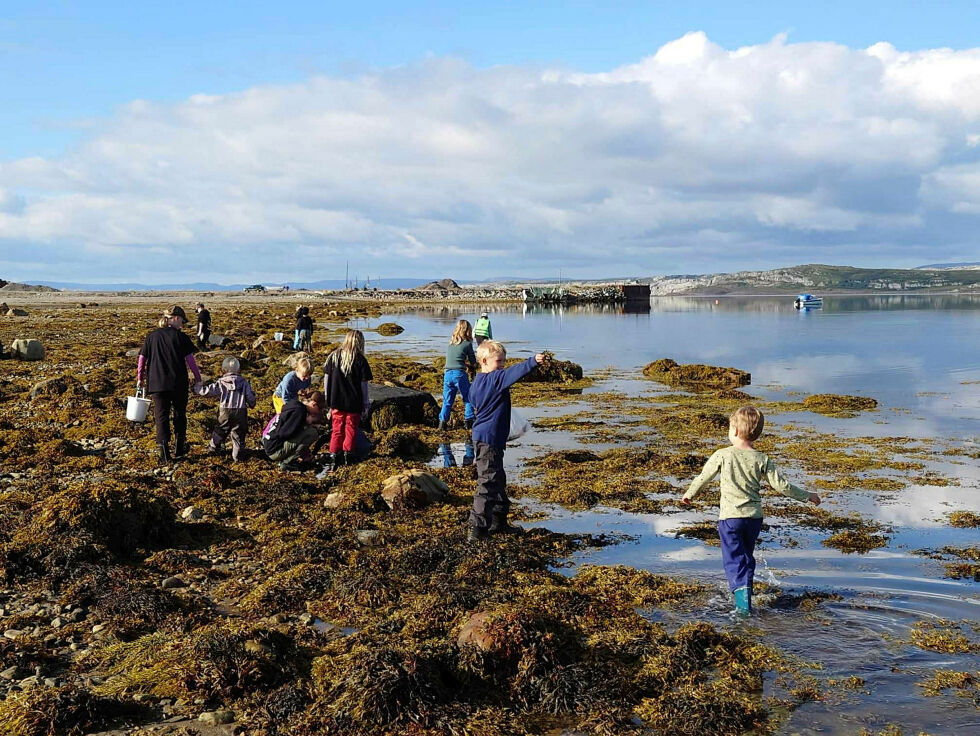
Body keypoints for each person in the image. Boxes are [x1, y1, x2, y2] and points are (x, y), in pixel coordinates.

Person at [681, 405, 821, 615]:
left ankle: (742, 605)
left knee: (734, 558)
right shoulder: (762, 459)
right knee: (746, 556)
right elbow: (781, 486)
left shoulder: (722, 455)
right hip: (754, 519)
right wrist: (807, 496)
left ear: (735, 431)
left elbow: (704, 477)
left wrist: (689, 494)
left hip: (730, 518)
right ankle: (746, 591)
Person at [467, 340, 546, 543]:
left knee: (497, 478)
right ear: (485, 361)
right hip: (489, 438)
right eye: (499, 361)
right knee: (487, 481)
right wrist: (532, 361)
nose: (502, 365)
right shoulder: (495, 379)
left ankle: (499, 521)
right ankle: (477, 529)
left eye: (504, 361)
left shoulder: (477, 382)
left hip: (484, 437)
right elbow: (514, 373)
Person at [137, 305, 202, 464]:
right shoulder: (181, 337)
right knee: (180, 414)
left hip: (156, 383)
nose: (182, 325)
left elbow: (142, 358)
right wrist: (198, 378)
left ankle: (164, 453)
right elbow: (190, 361)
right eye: (182, 321)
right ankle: (179, 449)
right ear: (176, 319)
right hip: (178, 383)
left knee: (161, 417)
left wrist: (140, 378)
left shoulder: (152, 337)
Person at [322, 329, 372, 470]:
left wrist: (327, 397)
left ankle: (333, 457)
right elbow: (364, 385)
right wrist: (365, 403)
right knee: (350, 429)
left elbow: (326, 378)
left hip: (336, 400)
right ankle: (347, 455)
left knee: (337, 429)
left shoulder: (334, 356)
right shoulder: (360, 360)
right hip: (353, 402)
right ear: (360, 343)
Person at [194, 356, 256, 461]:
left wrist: (198, 388)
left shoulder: (221, 382)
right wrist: (252, 403)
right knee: (239, 434)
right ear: (238, 369)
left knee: (220, 429)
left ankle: (213, 447)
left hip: (225, 411)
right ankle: (237, 455)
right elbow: (250, 396)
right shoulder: (244, 382)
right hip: (240, 411)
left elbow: (208, 391)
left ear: (224, 369)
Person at [262, 388, 324, 471]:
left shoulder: (295, 405)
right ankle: (288, 462)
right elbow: (284, 433)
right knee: (312, 433)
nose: (317, 413)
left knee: (307, 432)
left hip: (269, 444)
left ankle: (292, 458)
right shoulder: (300, 412)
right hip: (275, 450)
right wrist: (304, 425)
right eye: (319, 410)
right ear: (314, 404)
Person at [438, 319, 477, 431]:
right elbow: (473, 361)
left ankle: (442, 423)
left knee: (447, 401)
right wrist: (473, 367)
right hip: (459, 374)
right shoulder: (467, 344)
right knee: (468, 398)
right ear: (468, 330)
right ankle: (469, 422)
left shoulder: (451, 344)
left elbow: (455, 359)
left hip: (447, 373)